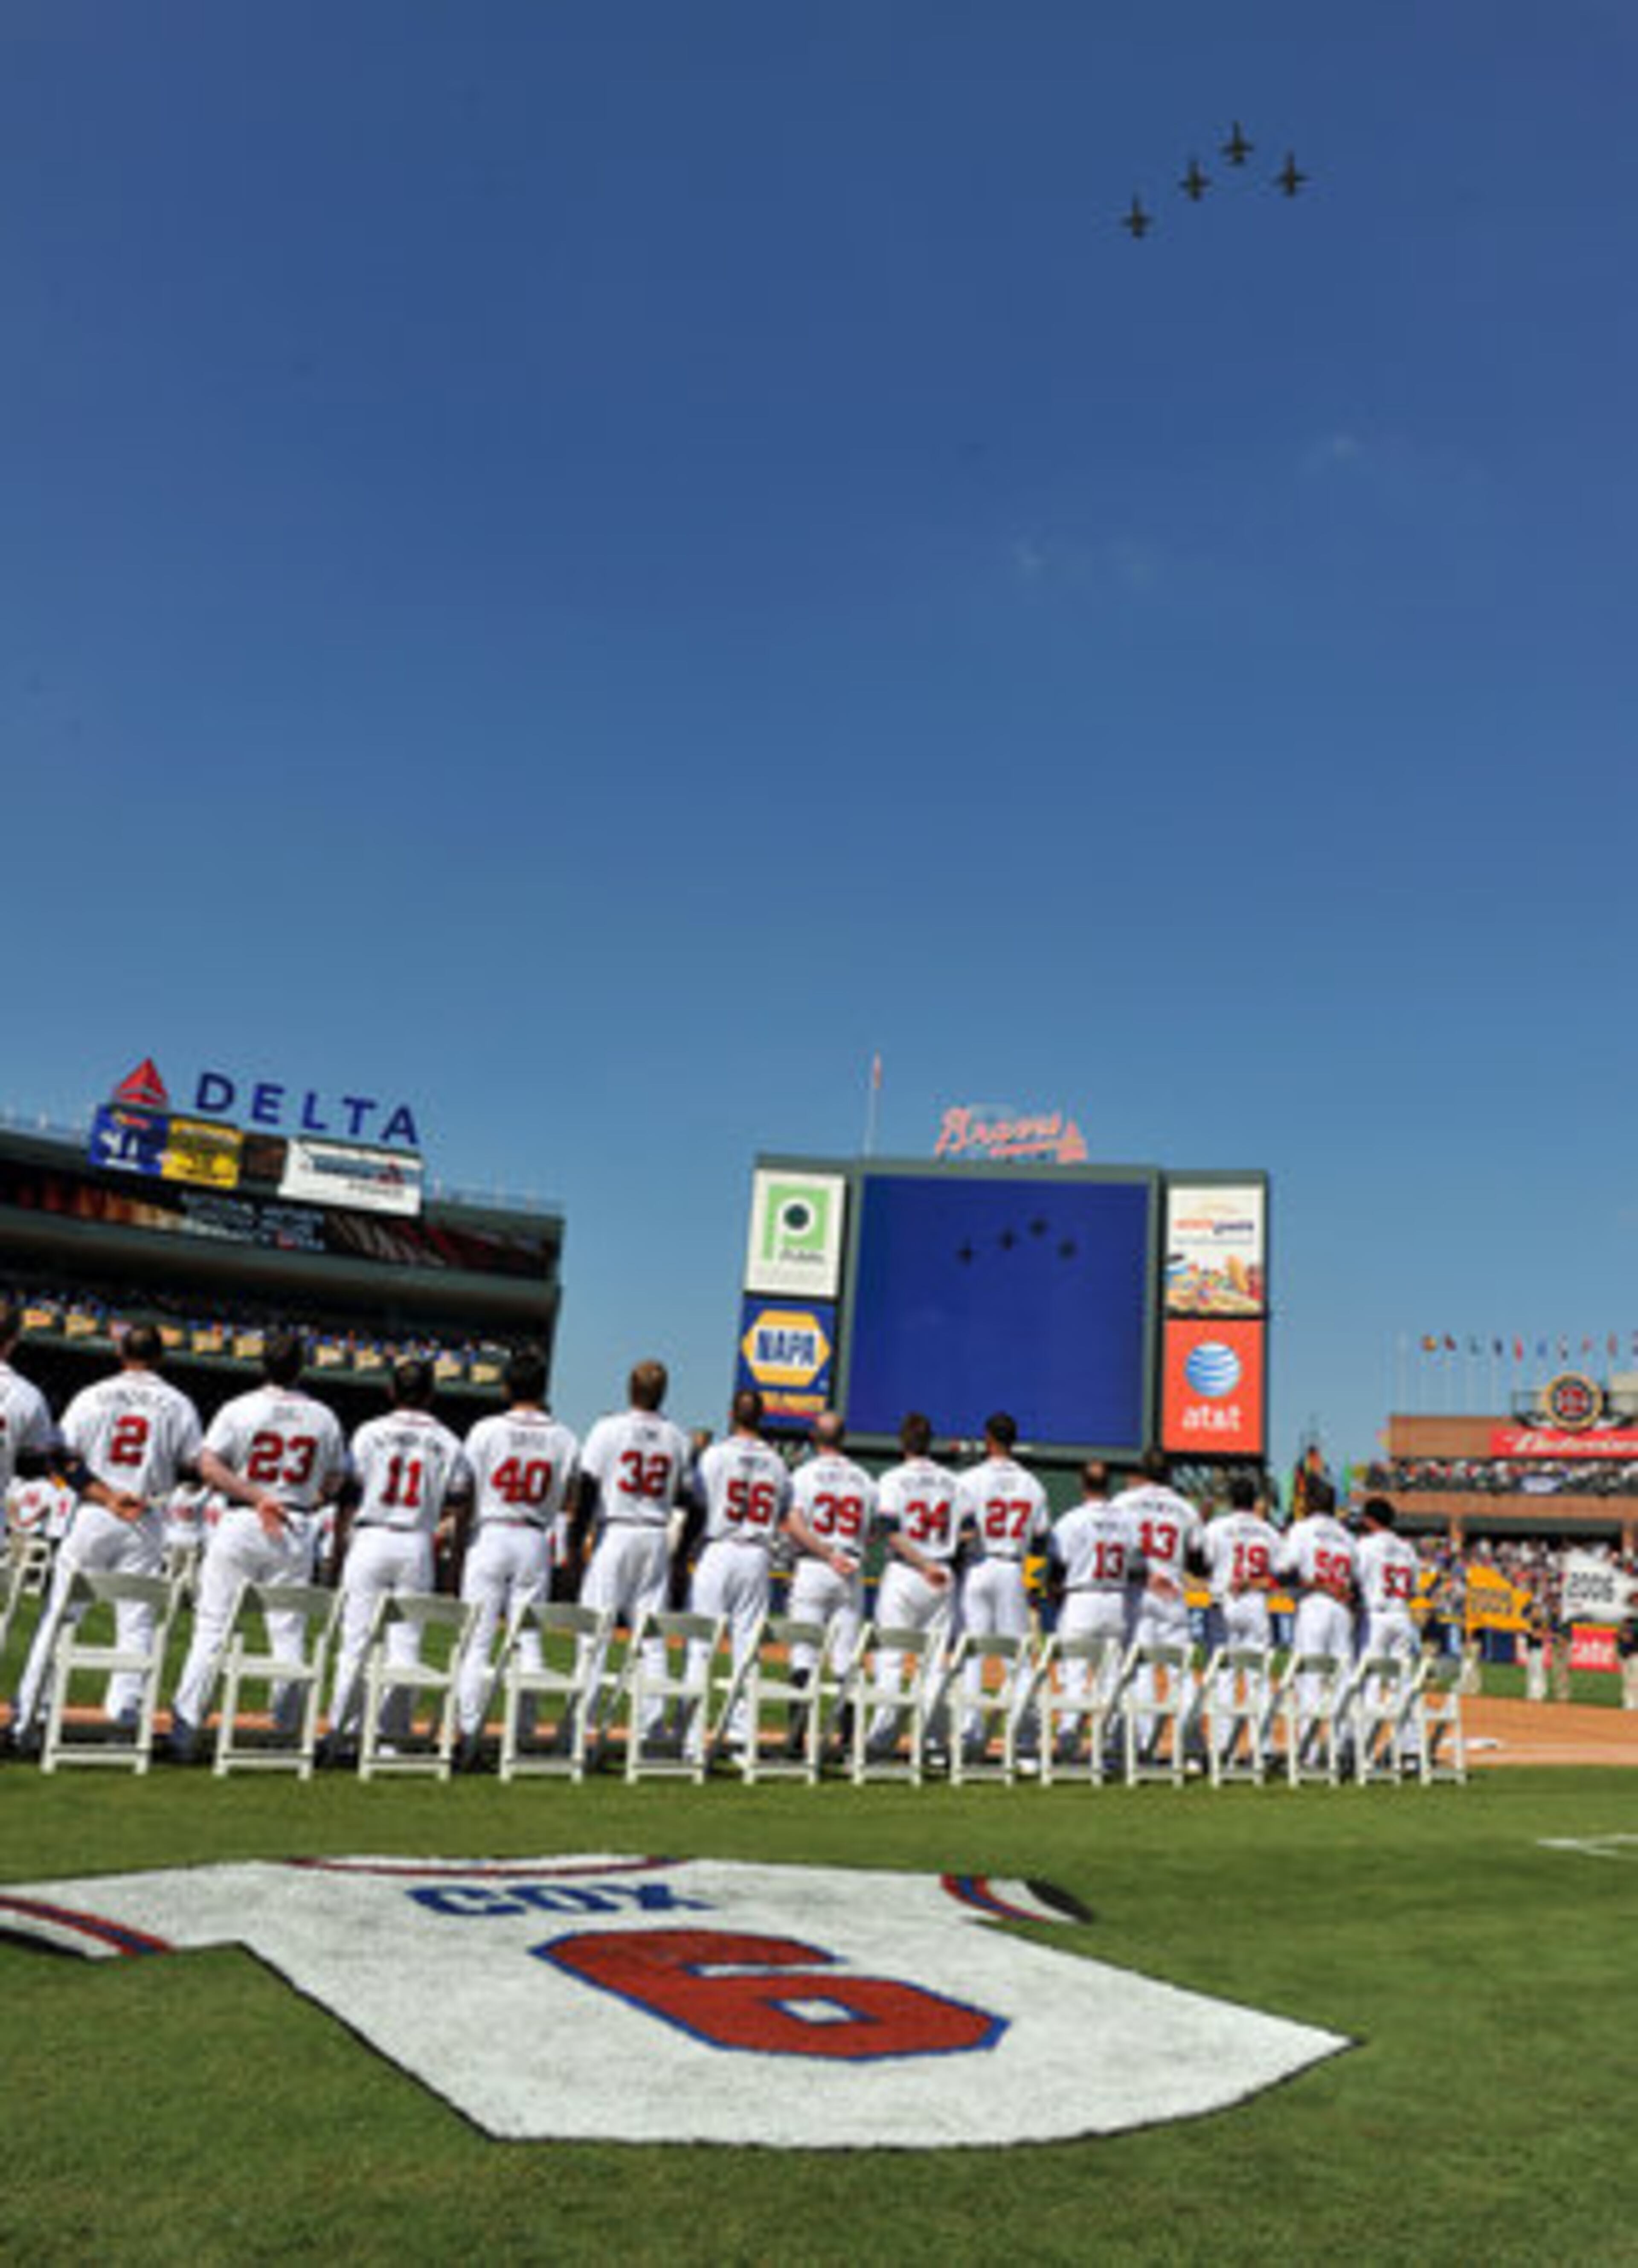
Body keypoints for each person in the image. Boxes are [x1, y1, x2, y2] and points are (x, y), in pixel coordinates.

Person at [11, 1323, 203, 1749]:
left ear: (121, 1352)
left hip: (95, 1510)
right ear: (160, 1357)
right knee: (135, 1622)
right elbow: (193, 1467)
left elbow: (62, 1461)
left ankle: (29, 1719)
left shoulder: (91, 1395)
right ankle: (124, 1721)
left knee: (60, 1616)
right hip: (145, 1514)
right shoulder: (179, 1403)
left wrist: (105, 1493)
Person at [167, 1329, 347, 1758]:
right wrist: (297, 1502)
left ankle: (184, 1737)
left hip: (244, 1518)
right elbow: (336, 1480)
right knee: (288, 1633)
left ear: (262, 1364)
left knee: (212, 1628)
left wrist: (257, 1496)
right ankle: (286, 1736)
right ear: (301, 1368)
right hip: (294, 1524)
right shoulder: (324, 1416)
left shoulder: (239, 1408)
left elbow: (209, 1466)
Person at [687, 1388, 848, 1757]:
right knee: (747, 1650)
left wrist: (686, 1553)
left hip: (719, 1548)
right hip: (756, 1555)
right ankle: (743, 1739)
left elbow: (698, 1504)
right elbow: (785, 1516)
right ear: (761, 1418)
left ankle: (692, 1741)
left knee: (701, 1645)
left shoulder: (715, 1454)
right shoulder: (776, 1463)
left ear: (732, 1415)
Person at [325, 1358, 471, 1757]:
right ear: (431, 1394)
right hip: (416, 1541)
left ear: (391, 1391)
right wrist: (453, 1567)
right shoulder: (448, 1440)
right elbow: (458, 1503)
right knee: (405, 1645)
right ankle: (392, 1739)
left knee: (354, 1642)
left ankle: (341, 1735)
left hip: (371, 1537)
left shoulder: (369, 1432)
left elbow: (349, 1498)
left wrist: (338, 1553)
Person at [453, 1346, 579, 1764]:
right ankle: (523, 1736)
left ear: (507, 1386)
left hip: (491, 1532)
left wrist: (458, 1546)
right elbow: (569, 1498)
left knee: (478, 1641)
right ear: (543, 1388)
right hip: (533, 1537)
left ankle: (468, 1735)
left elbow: (466, 1492)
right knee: (528, 1640)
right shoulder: (564, 1436)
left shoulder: (486, 1429)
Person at [574, 1360, 694, 1742]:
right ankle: (653, 1731)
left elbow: (589, 1487)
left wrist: (576, 1541)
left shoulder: (607, 1428)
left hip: (617, 1531)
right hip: (655, 1535)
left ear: (630, 1388)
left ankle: (581, 1726)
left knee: (596, 1632)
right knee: (652, 1640)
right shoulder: (677, 1436)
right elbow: (689, 1497)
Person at [953, 1413, 1049, 1754]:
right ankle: (1026, 1744)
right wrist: (1033, 1587)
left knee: (972, 1657)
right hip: (1012, 1569)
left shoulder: (968, 1479)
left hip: (978, 1567)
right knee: (1019, 1660)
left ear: (988, 1439)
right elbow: (1039, 1543)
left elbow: (961, 1534)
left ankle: (970, 1739)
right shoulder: (1032, 1484)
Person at [867, 1411, 962, 1750]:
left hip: (907, 1572)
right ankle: (935, 1743)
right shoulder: (953, 1481)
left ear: (903, 1442)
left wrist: (922, 1563)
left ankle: (881, 1742)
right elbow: (967, 1530)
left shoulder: (893, 1478)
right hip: (942, 1572)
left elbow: (891, 1533)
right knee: (936, 1663)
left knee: (892, 1657)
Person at [1109, 1449, 1204, 1759]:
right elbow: (1197, 1559)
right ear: (1169, 1475)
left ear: (1142, 1471)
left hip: (1137, 1592)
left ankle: (1141, 1746)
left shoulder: (1123, 1503)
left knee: (1139, 1670)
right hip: (1173, 1594)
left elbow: (1114, 1550)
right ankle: (1191, 1748)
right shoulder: (1184, 1509)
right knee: (1182, 1671)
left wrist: (1144, 1572)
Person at [1046, 1458, 1140, 1754]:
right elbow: (1136, 1566)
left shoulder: (1072, 1520)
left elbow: (1057, 1569)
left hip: (1081, 1598)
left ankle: (1069, 1743)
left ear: (1082, 1484)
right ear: (1108, 1484)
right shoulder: (1127, 1521)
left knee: (1075, 1674)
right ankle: (1110, 1746)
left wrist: (1054, 1593)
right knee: (1111, 1675)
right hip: (1115, 1599)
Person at [785, 1411, 878, 1703]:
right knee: (846, 1656)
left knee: (804, 1654)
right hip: (850, 1566)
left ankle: (798, 1738)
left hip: (814, 1564)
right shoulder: (864, 1479)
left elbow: (794, 1525)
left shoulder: (803, 1475)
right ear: (844, 1438)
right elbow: (876, 1528)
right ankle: (847, 1735)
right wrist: (849, 1548)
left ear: (814, 1437)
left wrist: (827, 1553)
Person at [1199, 1472, 1281, 1768]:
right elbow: (1279, 1576)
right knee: (1259, 1677)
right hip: (1256, 1604)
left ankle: (1224, 1750)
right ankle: (1265, 1748)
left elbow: (1201, 1564)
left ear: (1231, 1500)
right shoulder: (1268, 1531)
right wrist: (1255, 1581)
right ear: (1254, 1501)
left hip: (1225, 1602)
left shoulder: (1217, 1528)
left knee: (1224, 1677)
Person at [1278, 1476, 1358, 1764]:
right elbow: (1355, 1583)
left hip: (1314, 1606)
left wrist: (1315, 1584)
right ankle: (1345, 1749)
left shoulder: (1303, 1529)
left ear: (1310, 1502)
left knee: (1310, 1677)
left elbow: (1284, 1570)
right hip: (1342, 1611)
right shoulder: (1347, 1536)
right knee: (1343, 1678)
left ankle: (1309, 1753)